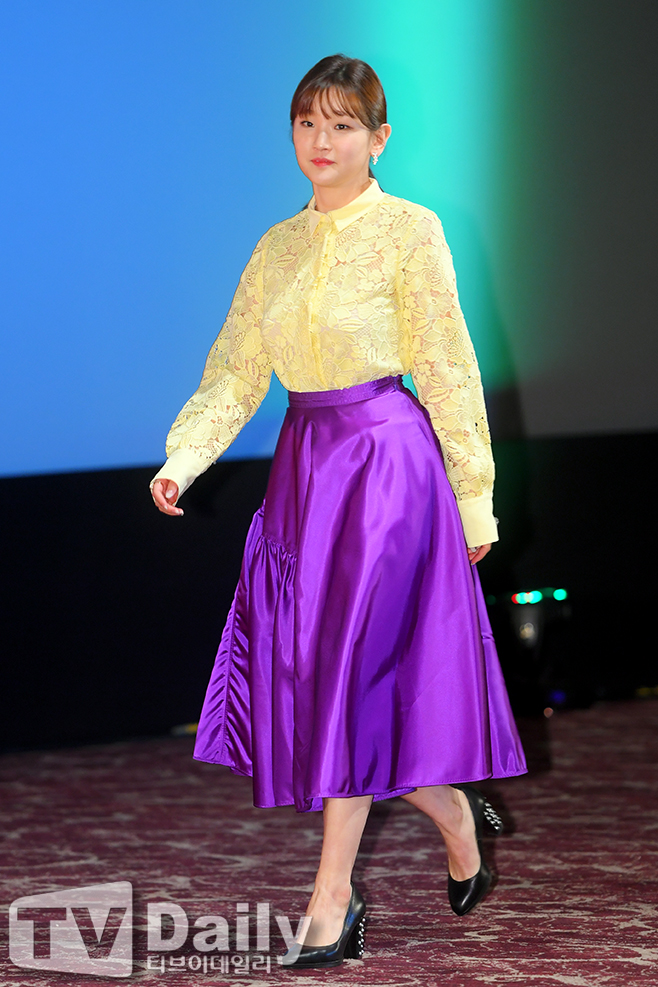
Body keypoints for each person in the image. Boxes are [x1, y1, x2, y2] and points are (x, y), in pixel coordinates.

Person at [151, 54, 527, 969]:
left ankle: (331, 899)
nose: (322, 141)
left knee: (353, 680)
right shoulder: (276, 245)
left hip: (388, 470)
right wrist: (184, 458)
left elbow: (447, 365)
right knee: (328, 685)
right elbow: (237, 367)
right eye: (308, 123)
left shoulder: (409, 230)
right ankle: (455, 813)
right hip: (306, 475)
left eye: (343, 124)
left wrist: (474, 498)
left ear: (378, 138)